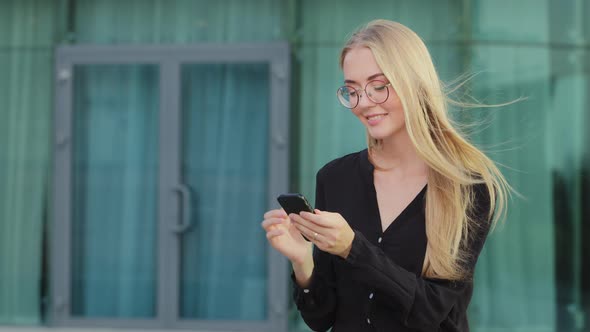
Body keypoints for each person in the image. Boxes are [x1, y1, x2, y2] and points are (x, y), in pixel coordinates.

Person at [261, 19, 510, 331]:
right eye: (351, 90)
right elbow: (320, 318)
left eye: (378, 87)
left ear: (414, 82)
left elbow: (431, 311)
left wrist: (353, 248)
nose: (363, 103)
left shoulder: (467, 188)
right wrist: (302, 261)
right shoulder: (334, 178)